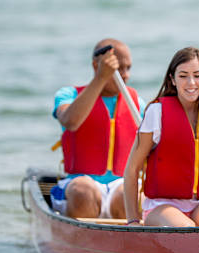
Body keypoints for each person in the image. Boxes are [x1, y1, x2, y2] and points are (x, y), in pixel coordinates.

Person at [123, 47, 199, 227]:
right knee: (187, 229)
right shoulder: (157, 112)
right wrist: (133, 220)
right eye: (183, 76)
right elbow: (132, 169)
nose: (191, 82)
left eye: (197, 75)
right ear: (172, 79)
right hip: (162, 206)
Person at [51, 38, 145, 220]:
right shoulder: (68, 95)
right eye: (119, 69)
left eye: (128, 68)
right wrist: (101, 78)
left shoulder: (136, 104)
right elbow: (70, 121)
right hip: (79, 181)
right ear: (97, 66)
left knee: (133, 196)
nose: (125, 75)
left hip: (121, 184)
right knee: (83, 192)